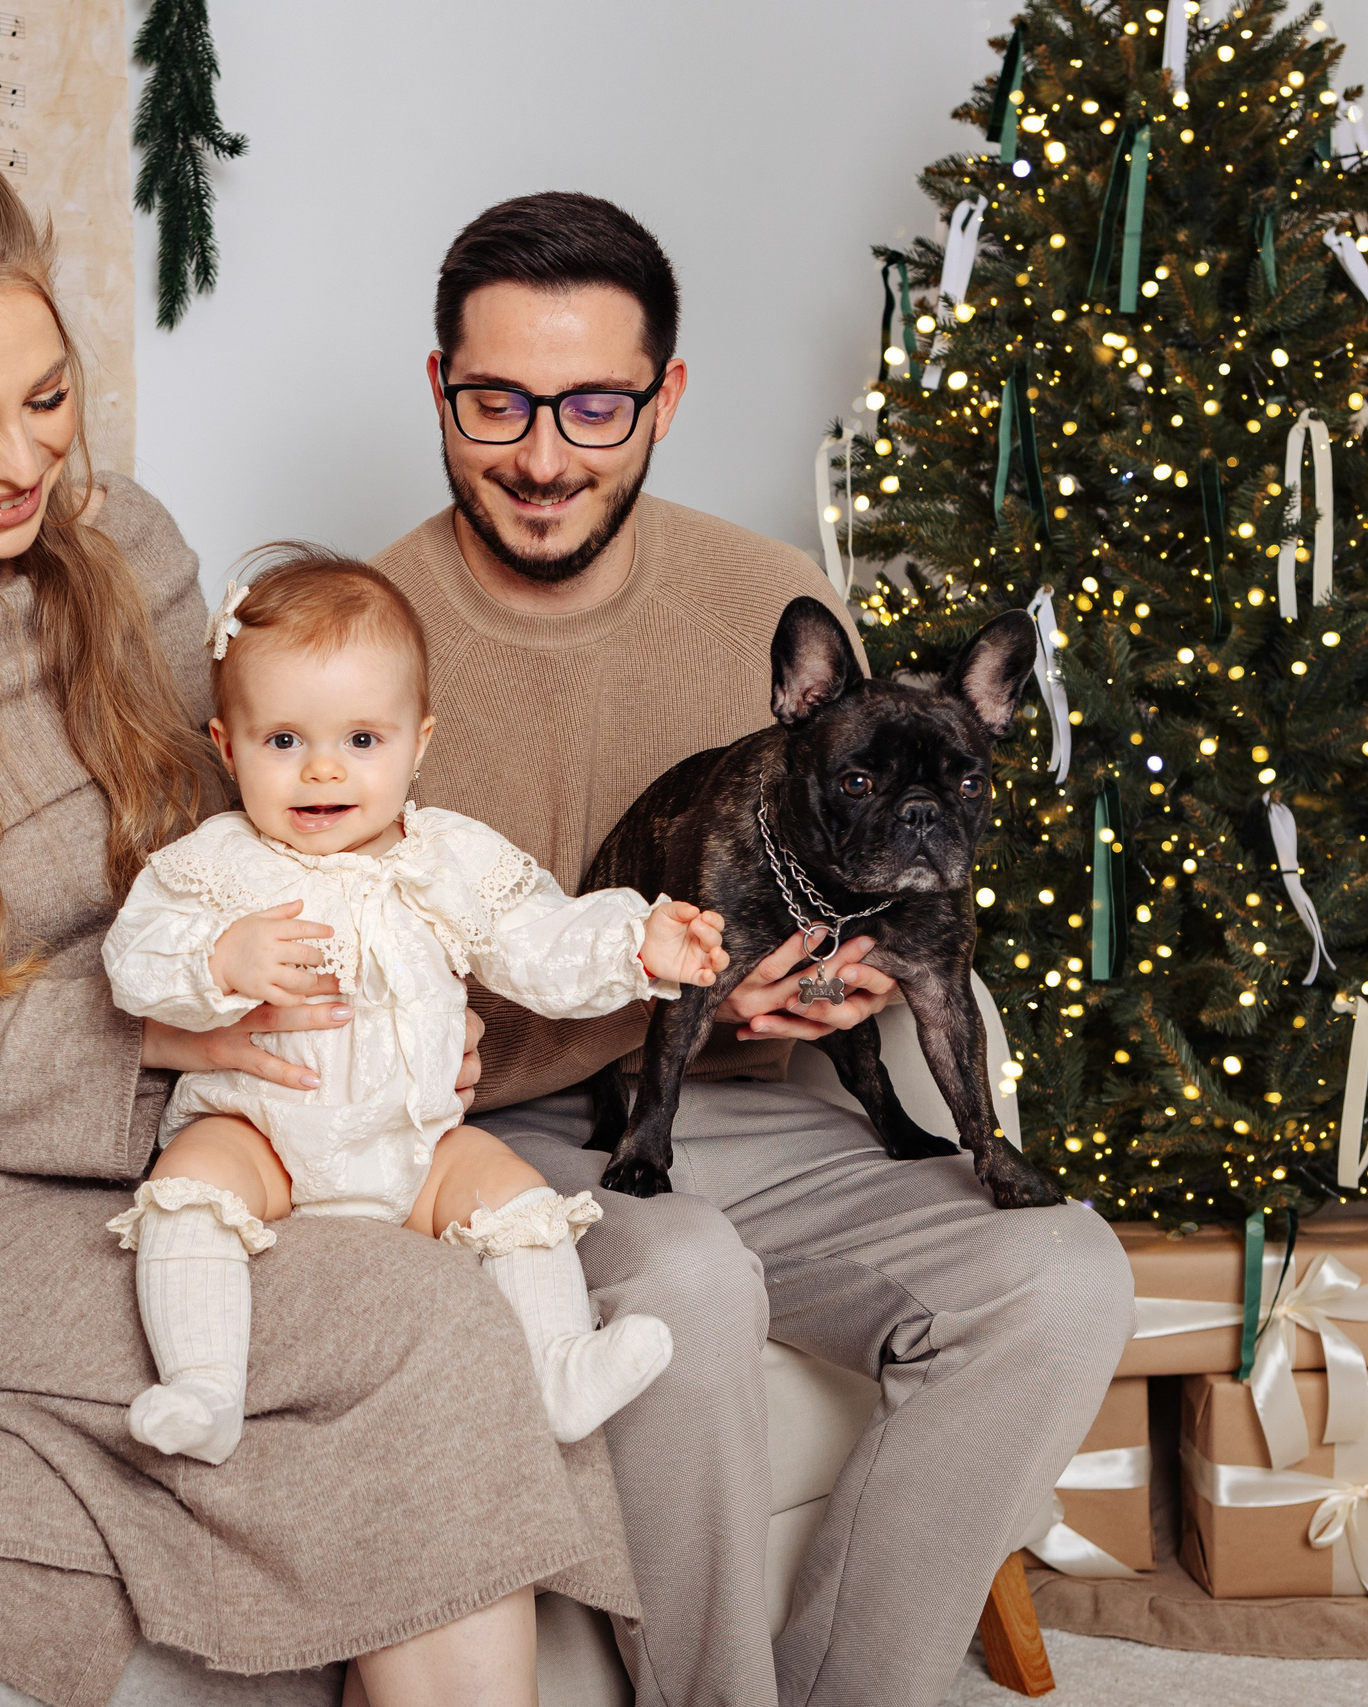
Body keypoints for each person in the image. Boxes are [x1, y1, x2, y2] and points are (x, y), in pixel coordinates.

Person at [0, 136, 634, 1707]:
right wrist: (164, 1040)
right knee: (422, 1314)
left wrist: (382, 1008)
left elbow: (260, 829)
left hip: (214, 1138)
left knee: (473, 1290)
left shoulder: (125, 546)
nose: (21, 459)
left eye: (47, 396)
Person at [370, 191, 1134, 1707]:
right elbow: (360, 987)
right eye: (497, 401)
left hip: (773, 1106)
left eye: (594, 404)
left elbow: (859, 869)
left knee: (1062, 1275)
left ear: (665, 396)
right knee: (688, 1280)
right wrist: (681, 1000)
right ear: (439, 386)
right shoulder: (364, 632)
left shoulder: (761, 596)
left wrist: (839, 984)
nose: (542, 454)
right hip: (506, 1134)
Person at [103, 551, 726, 1465]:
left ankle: (559, 1366)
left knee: (511, 1188)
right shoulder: (217, 863)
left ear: (418, 742)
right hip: (263, 1134)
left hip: (416, 1143)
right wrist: (218, 957)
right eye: (284, 741)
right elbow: (131, 961)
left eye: (362, 740)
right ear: (228, 746)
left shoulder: (448, 857)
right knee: (192, 1182)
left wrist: (636, 944)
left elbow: (537, 936)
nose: (323, 770)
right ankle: (205, 1385)